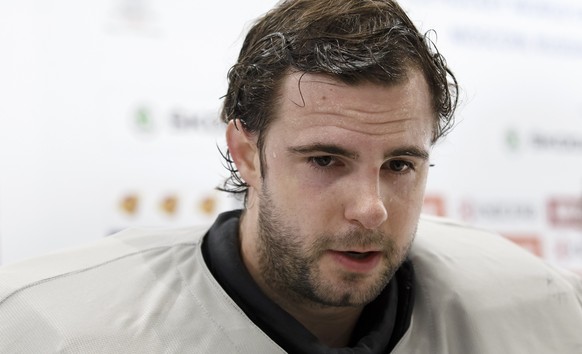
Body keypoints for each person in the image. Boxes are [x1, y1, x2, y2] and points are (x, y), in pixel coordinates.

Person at [1, 0, 581, 352]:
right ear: (247, 154)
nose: (371, 208)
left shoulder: (540, 307)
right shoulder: (48, 330)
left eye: (400, 164)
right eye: (326, 160)